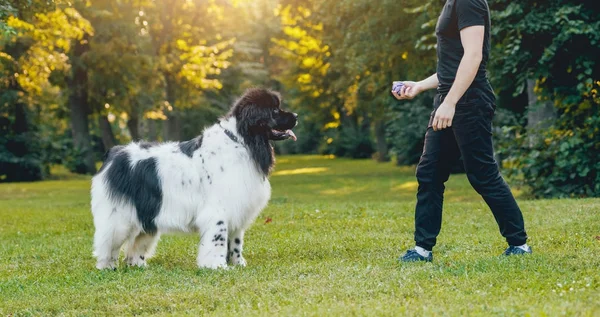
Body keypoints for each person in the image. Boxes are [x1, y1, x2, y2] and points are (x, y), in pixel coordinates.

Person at [392, 0, 531, 262]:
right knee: (430, 172)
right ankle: (422, 250)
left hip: (469, 100)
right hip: (450, 97)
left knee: (482, 173)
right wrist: (420, 86)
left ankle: (519, 244)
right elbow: (452, 66)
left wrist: (450, 103)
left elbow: (473, 56)